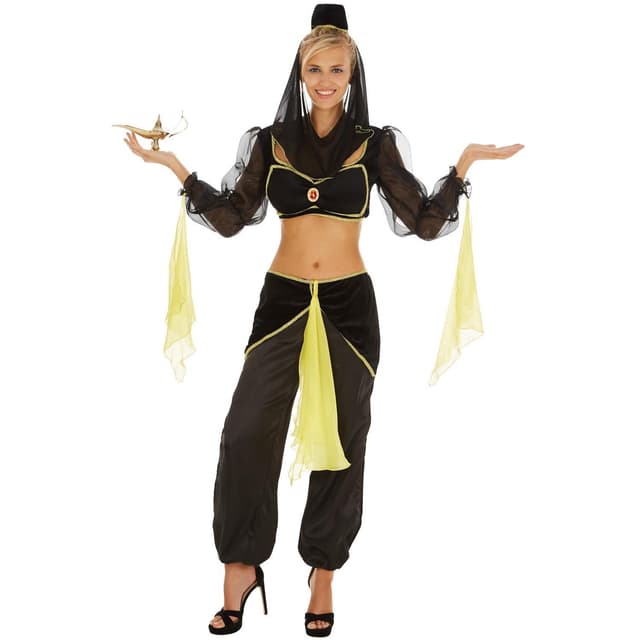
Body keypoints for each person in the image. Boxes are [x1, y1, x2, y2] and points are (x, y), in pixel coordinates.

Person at [123, 4, 523, 636]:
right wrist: (174, 169)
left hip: (348, 307)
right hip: (282, 301)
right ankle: (240, 567)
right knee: (247, 431)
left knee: (343, 439)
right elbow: (230, 219)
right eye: (315, 69)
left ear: (352, 71)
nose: (326, 80)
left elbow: (424, 223)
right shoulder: (271, 141)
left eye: (337, 68)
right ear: (301, 71)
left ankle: (324, 572)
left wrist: (464, 165)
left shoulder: (375, 144)